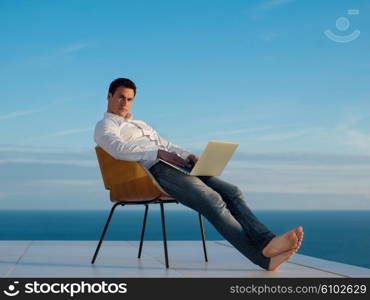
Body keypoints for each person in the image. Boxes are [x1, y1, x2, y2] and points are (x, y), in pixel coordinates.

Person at [94, 78, 304, 271]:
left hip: (176, 165)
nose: (125, 103)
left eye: (129, 99)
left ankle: (267, 242)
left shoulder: (141, 124)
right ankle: (263, 257)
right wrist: (157, 152)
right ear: (109, 96)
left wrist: (188, 156)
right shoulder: (105, 126)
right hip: (154, 172)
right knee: (212, 200)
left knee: (232, 192)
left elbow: (167, 144)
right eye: (121, 97)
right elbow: (117, 148)